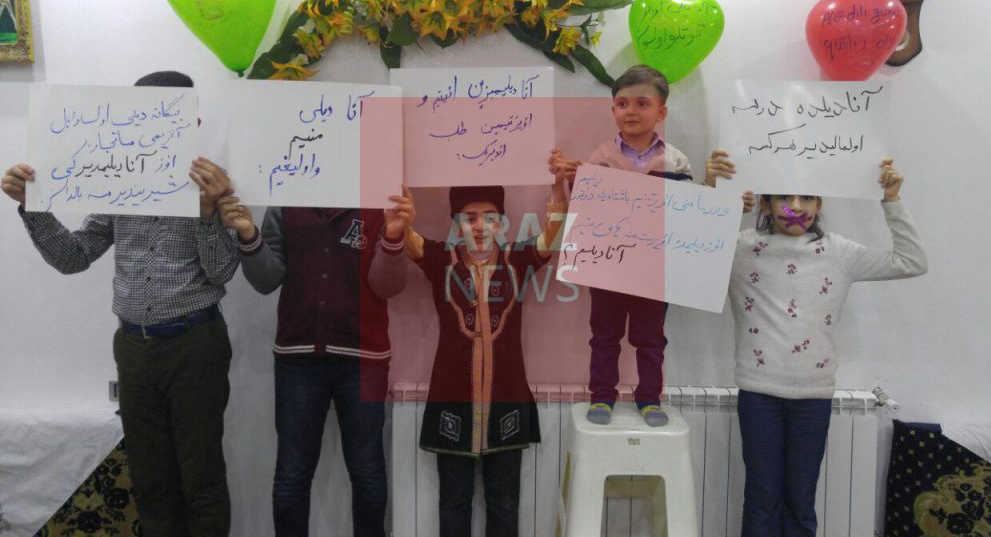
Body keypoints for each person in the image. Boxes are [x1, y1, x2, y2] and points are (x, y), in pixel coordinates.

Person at [1, 71, 238, 537]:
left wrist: (208, 213)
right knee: (150, 480)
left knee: (201, 478)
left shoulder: (213, 184)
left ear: (192, 121)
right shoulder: (117, 183)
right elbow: (74, 257)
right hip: (133, 349)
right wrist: (34, 206)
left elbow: (224, 272)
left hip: (195, 345)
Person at [707, 151, 928, 537]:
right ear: (765, 204)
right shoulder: (740, 247)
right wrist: (714, 198)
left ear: (819, 204)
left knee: (800, 501)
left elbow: (912, 261)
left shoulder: (839, 252)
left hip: (813, 398)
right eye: (784, 197)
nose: (796, 207)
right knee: (762, 499)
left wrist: (891, 199)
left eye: (807, 197)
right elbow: (682, 253)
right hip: (759, 395)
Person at [215, 185, 414, 537]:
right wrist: (248, 234)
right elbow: (266, 280)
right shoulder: (288, 197)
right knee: (292, 474)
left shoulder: (379, 197)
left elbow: (387, 286)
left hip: (364, 360)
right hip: (298, 359)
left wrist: (395, 236)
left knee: (367, 471)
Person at [402, 156, 568, 537]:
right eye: (470, 217)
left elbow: (552, 238)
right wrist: (399, 206)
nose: (479, 226)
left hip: (506, 402)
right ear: (456, 223)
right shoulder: (440, 260)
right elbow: (405, 237)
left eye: (489, 217)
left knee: (505, 504)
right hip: (453, 402)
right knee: (453, 503)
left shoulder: (517, 261)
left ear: (502, 222)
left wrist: (558, 192)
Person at [551, 64, 692, 427]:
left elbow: (688, 214)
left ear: (661, 112)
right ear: (613, 109)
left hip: (654, 271)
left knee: (651, 339)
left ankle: (650, 399)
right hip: (607, 268)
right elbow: (586, 212)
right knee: (604, 336)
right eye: (622, 103)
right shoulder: (600, 157)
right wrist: (574, 180)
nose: (631, 111)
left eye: (642, 103)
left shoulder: (675, 160)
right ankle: (602, 396)